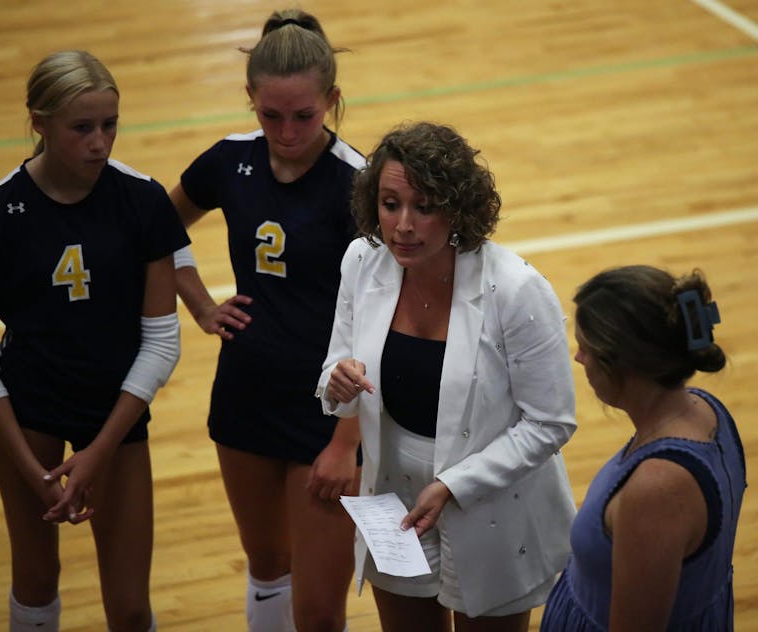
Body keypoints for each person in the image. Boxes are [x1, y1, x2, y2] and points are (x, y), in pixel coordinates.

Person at [0, 50, 189, 632]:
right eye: (81, 128)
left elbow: (162, 342)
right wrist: (28, 465)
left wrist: (100, 449)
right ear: (39, 123)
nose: (100, 143)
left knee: (132, 606)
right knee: (35, 582)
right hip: (27, 411)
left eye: (110, 124)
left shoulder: (141, 201)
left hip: (115, 410)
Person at [316, 121, 577, 632]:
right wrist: (337, 382)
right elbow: (335, 367)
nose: (403, 226)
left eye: (425, 207)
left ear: (458, 209)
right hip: (393, 498)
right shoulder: (362, 262)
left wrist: (454, 486)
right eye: (391, 204)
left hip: (492, 502)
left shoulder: (518, 290)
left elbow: (550, 422)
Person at [169, 9, 365, 632]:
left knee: (317, 609)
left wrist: (349, 439)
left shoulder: (359, 183)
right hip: (245, 394)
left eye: (303, 115)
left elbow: (387, 315)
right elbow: (156, 227)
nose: (285, 130)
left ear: (331, 101)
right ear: (249, 97)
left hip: (327, 411)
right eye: (269, 114)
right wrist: (200, 303)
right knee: (265, 568)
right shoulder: (230, 160)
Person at [540, 265, 745, 631]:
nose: (579, 359)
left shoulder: (658, 489)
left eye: (587, 349)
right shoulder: (706, 408)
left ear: (624, 364)